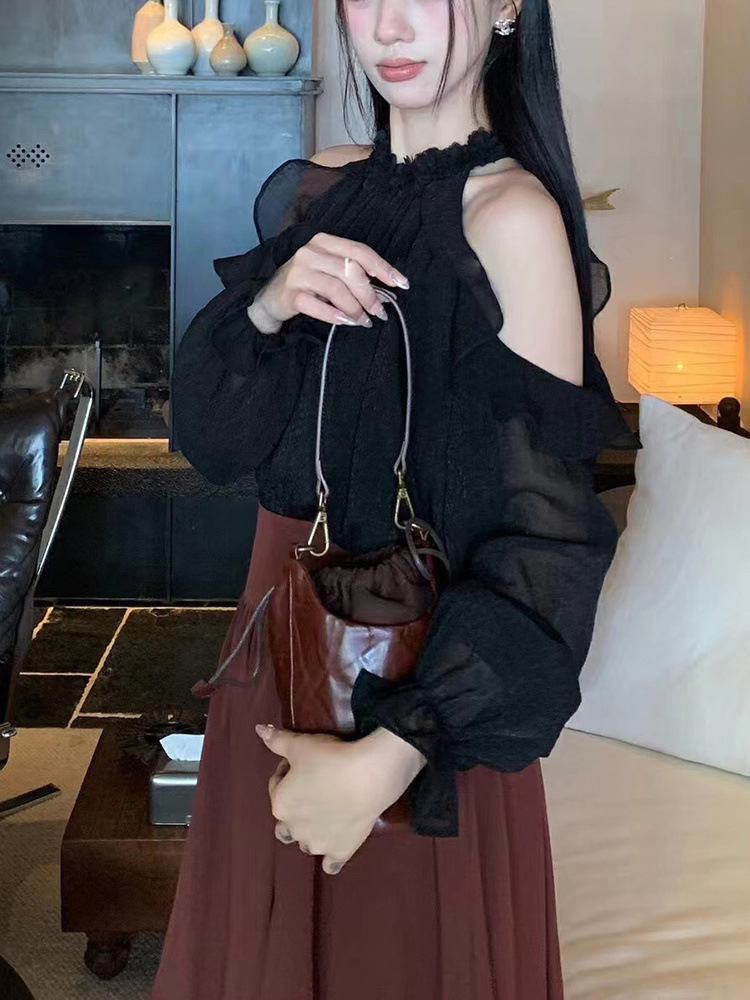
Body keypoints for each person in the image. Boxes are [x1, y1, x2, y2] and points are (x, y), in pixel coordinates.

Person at [152, 1, 641, 998]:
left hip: (419, 709)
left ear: (505, 6)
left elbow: (547, 549)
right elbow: (214, 440)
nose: (388, 24)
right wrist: (266, 306)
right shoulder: (323, 188)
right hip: (280, 655)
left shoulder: (510, 220)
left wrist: (390, 755)